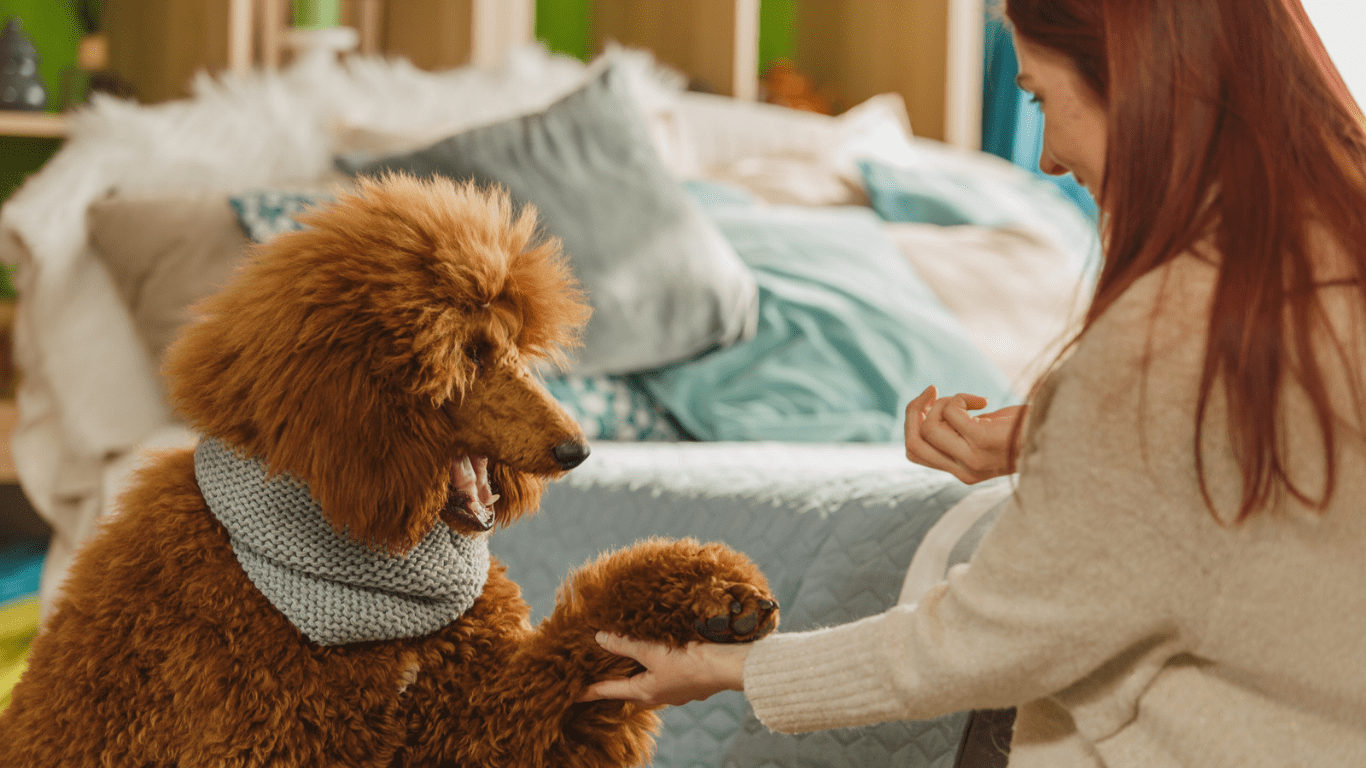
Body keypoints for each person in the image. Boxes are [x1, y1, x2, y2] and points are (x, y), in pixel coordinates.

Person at [580, 0, 1366, 765]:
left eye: (1039, 98)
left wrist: (730, 670)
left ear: (1139, 82)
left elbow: (985, 639)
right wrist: (1048, 438)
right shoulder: (1322, 259)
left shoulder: (1162, 344)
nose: (1047, 156)